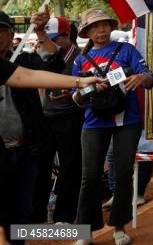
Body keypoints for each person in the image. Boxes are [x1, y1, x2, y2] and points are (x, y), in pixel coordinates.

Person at [71, 8, 153, 245]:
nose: (102, 29)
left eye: (106, 24)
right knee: (89, 176)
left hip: (127, 121)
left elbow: (149, 77)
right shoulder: (79, 60)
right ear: (87, 32)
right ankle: (84, 232)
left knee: (123, 174)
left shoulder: (126, 49)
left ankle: (119, 227)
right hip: (93, 122)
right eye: (96, 26)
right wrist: (87, 89)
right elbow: (75, 98)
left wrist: (142, 77)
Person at [0, 8, 64, 240]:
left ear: (10, 34)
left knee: (23, 210)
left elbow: (54, 67)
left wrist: (40, 33)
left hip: (28, 149)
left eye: (2, 30)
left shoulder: (24, 60)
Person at [40, 17, 84, 224]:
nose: (47, 43)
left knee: (70, 165)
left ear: (67, 35)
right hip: (47, 117)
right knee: (41, 164)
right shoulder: (46, 54)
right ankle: (36, 214)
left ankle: (65, 216)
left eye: (52, 38)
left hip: (70, 117)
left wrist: (71, 94)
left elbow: (85, 90)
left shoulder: (79, 57)